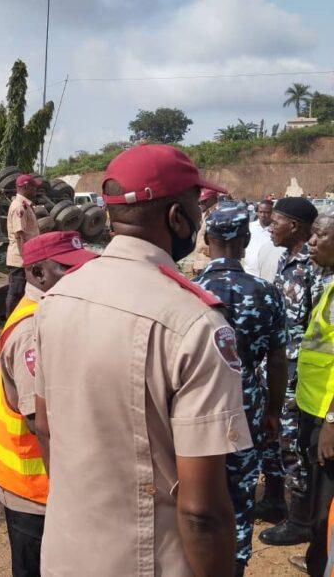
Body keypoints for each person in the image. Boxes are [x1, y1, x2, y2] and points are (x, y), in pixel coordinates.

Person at [33, 144, 251, 576]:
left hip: (66, 552)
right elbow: (202, 512)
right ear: (177, 217)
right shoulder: (194, 324)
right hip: (148, 561)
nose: (200, 220)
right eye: (196, 206)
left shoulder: (57, 299)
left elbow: (44, 425)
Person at [0, 231, 97, 577]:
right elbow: (41, 423)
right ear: (37, 275)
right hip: (35, 486)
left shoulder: (51, 312)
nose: (80, 276)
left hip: (41, 480)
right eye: (68, 269)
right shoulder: (33, 329)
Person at [194, 201, 288, 576]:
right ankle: (234, 564)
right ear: (247, 239)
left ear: (207, 239)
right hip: (246, 402)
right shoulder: (266, 292)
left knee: (196, 490)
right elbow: (278, 361)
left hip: (195, 403)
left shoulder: (189, 288)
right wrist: (272, 413)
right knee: (240, 492)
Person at [259, 197, 324, 545]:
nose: (269, 227)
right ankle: (274, 501)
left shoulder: (314, 267)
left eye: (276, 221)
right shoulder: (285, 259)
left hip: (301, 375)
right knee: (278, 438)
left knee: (295, 445)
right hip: (280, 367)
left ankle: (299, 520)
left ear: (295, 227)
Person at [289, 207, 334, 576]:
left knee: (325, 504)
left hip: (327, 416)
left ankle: (320, 564)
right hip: (314, 406)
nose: (312, 241)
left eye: (320, 235)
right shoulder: (330, 284)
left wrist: (332, 421)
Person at [6, 174, 40, 316]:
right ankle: (10, 323)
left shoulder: (25, 205)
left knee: (22, 292)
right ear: (26, 187)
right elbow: (20, 234)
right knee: (16, 291)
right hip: (20, 259)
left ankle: (18, 320)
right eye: (33, 187)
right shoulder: (19, 207)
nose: (35, 191)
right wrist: (32, 253)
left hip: (25, 257)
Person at [245, 199, 277, 277]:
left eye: (266, 212)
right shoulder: (249, 227)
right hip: (249, 273)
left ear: (273, 213)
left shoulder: (277, 231)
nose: (262, 215)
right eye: (260, 212)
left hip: (269, 275)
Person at [192, 187, 220, 274]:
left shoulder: (220, 214)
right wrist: (196, 263)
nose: (201, 203)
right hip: (201, 261)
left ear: (213, 199)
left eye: (204, 201)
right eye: (200, 201)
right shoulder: (205, 213)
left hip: (211, 262)